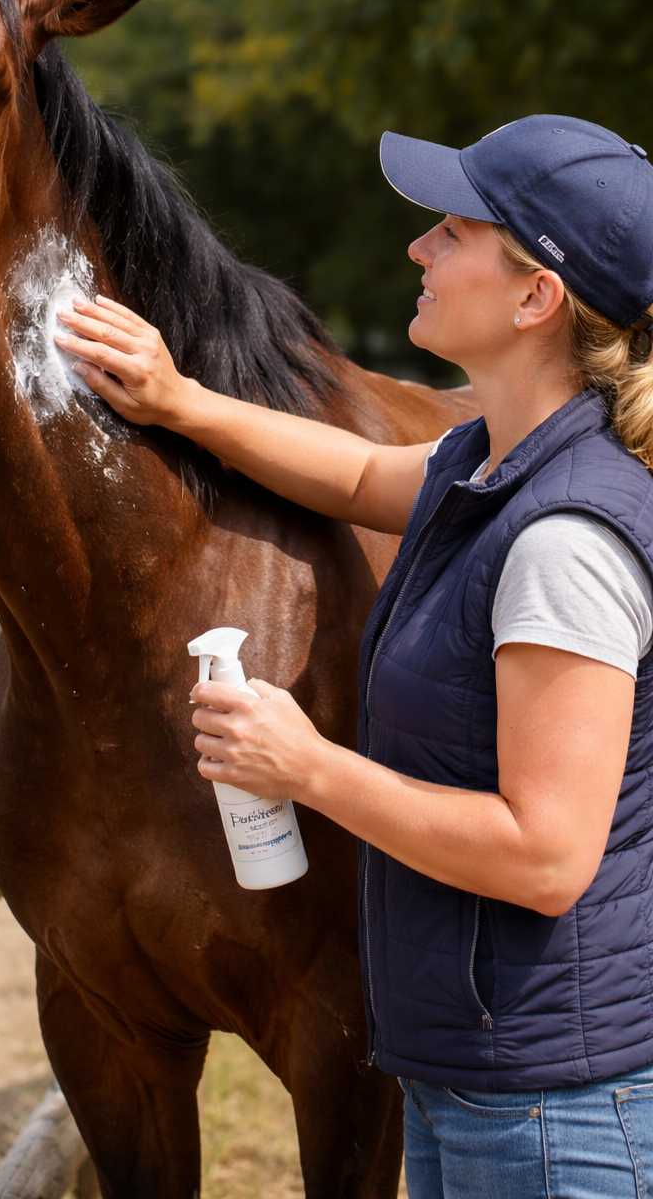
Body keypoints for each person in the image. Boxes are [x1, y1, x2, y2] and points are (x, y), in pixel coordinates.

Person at [53, 113, 653, 1198]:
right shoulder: (489, 459)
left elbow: (545, 856)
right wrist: (178, 399)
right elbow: (351, 476)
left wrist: (306, 768)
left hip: (555, 1117)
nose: (416, 249)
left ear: (535, 300)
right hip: (486, 1081)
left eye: (453, 232)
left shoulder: (563, 540)